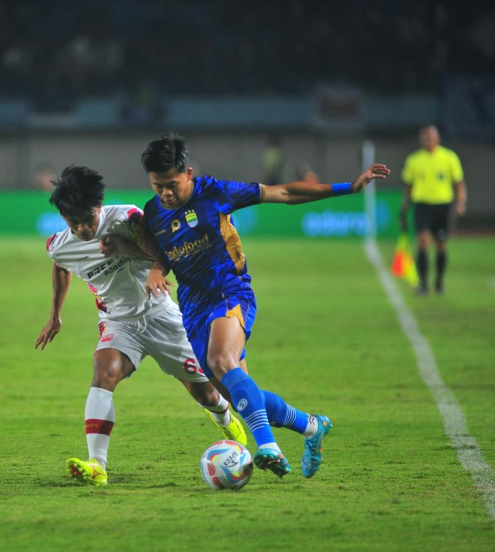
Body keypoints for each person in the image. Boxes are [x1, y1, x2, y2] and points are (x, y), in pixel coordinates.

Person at [140, 133, 390, 478]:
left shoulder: (213, 192)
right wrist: (156, 269)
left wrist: (349, 187)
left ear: (188, 173)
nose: (165, 193)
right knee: (240, 392)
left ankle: (268, 447)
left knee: (220, 359)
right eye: (157, 186)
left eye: (171, 185)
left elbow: (283, 192)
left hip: (230, 292)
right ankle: (313, 427)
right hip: (193, 308)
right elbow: (164, 251)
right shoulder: (153, 213)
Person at [34, 165, 246, 486]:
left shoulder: (127, 219)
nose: (83, 229)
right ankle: (97, 465)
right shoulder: (60, 244)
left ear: (99, 207)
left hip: (162, 317)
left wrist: (133, 254)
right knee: (103, 371)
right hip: (119, 322)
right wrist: (55, 315)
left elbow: (164, 252)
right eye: (73, 223)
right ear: (64, 218)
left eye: (88, 220)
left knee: (205, 394)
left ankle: (225, 417)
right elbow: (61, 266)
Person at [399, 125, 467, 295]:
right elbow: (409, 187)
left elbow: (459, 184)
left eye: (431, 136)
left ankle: (439, 282)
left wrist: (460, 202)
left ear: (438, 139)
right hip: (422, 206)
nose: (428, 140)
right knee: (422, 241)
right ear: (421, 140)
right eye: (425, 137)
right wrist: (404, 208)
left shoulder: (449, 157)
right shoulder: (414, 160)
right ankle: (423, 284)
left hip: (443, 206)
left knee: (441, 245)